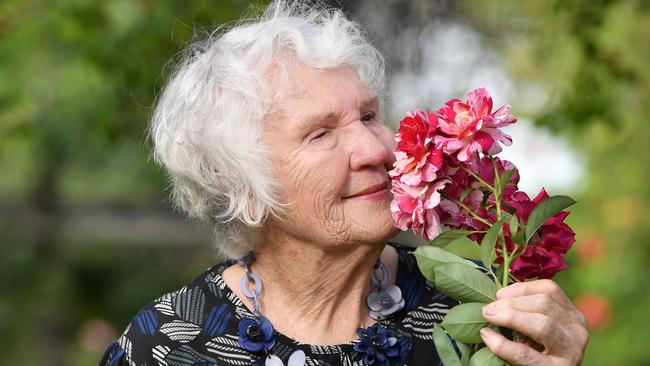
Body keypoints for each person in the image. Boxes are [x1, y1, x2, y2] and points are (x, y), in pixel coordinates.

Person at [99, 1, 588, 365]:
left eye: (370, 115)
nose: (379, 149)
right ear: (241, 188)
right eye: (321, 133)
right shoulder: (165, 347)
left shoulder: (478, 312)